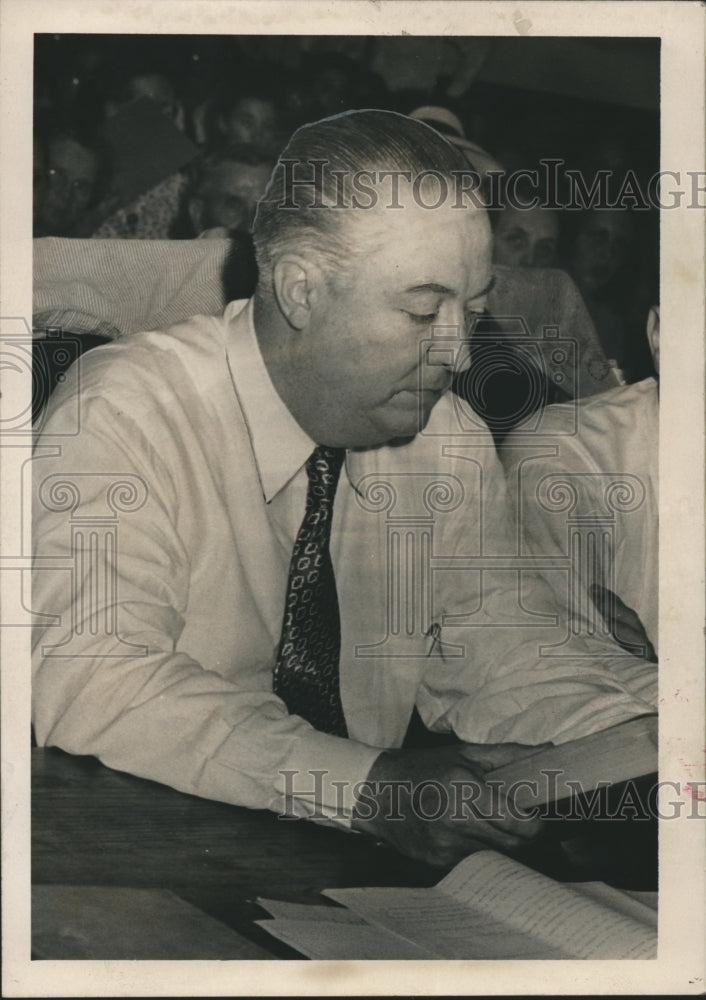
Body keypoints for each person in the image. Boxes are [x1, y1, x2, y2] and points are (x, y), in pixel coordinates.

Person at [32, 111, 657, 868]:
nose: (459, 352)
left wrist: (661, 718)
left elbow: (505, 650)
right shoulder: (130, 407)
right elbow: (93, 677)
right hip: (126, 856)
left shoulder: (445, 440)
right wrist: (366, 789)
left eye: (477, 312)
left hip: (338, 869)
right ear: (299, 289)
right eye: (424, 311)